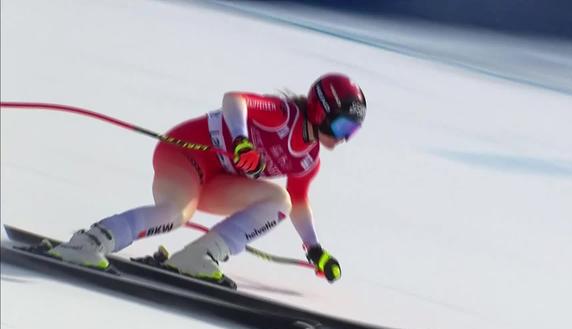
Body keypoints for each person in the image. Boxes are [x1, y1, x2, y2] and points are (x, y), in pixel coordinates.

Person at [48, 73, 367, 284]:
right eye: (341, 127)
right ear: (319, 111)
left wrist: (314, 249)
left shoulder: (309, 159)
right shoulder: (283, 115)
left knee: (279, 201)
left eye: (351, 132)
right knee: (176, 214)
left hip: (217, 180)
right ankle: (87, 243)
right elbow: (235, 100)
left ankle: (198, 257)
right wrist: (242, 141)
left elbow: (299, 203)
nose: (343, 138)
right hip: (183, 155)